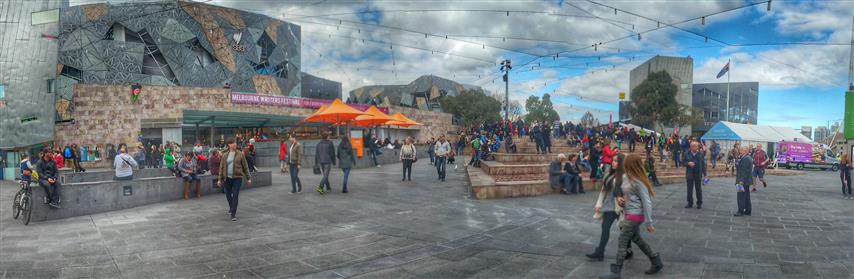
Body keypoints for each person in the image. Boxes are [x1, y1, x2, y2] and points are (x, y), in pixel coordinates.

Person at [601, 154, 663, 279]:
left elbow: (647, 202)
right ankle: (656, 262)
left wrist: (649, 222)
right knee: (637, 239)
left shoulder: (638, 181)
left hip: (635, 215)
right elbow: (619, 190)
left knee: (622, 240)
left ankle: (615, 273)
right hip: (628, 212)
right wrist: (619, 198)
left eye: (626, 162)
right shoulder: (625, 177)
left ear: (630, 164)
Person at [587, 153, 629, 261]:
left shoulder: (625, 176)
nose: (613, 163)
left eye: (616, 161)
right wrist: (599, 203)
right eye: (613, 160)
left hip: (620, 207)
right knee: (605, 228)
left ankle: (628, 249)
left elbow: (628, 192)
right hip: (609, 206)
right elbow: (603, 191)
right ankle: (600, 251)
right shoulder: (609, 174)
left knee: (624, 229)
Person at [218, 139, 251, 221]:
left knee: (235, 195)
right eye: (232, 143)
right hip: (227, 178)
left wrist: (248, 178)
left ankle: (233, 214)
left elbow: (245, 166)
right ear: (229, 145)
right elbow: (221, 167)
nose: (234, 144)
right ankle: (231, 206)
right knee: (228, 194)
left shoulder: (241, 154)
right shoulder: (225, 155)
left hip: (237, 177)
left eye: (235, 143)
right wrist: (219, 179)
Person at [683, 141, 706, 209]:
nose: (695, 147)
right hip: (690, 174)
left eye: (696, 146)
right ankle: (690, 203)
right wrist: (688, 163)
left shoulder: (700, 154)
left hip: (698, 173)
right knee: (689, 189)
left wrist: (705, 174)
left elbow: (703, 164)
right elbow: (683, 162)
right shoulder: (686, 153)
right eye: (693, 146)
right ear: (690, 147)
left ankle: (699, 203)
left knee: (698, 189)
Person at [735, 146, 755, 216]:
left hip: (742, 181)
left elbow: (744, 171)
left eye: (742, 150)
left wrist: (741, 181)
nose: (740, 150)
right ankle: (748, 210)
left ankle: (740, 211)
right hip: (746, 181)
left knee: (740, 196)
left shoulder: (746, 159)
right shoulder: (745, 157)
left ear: (745, 151)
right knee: (746, 196)